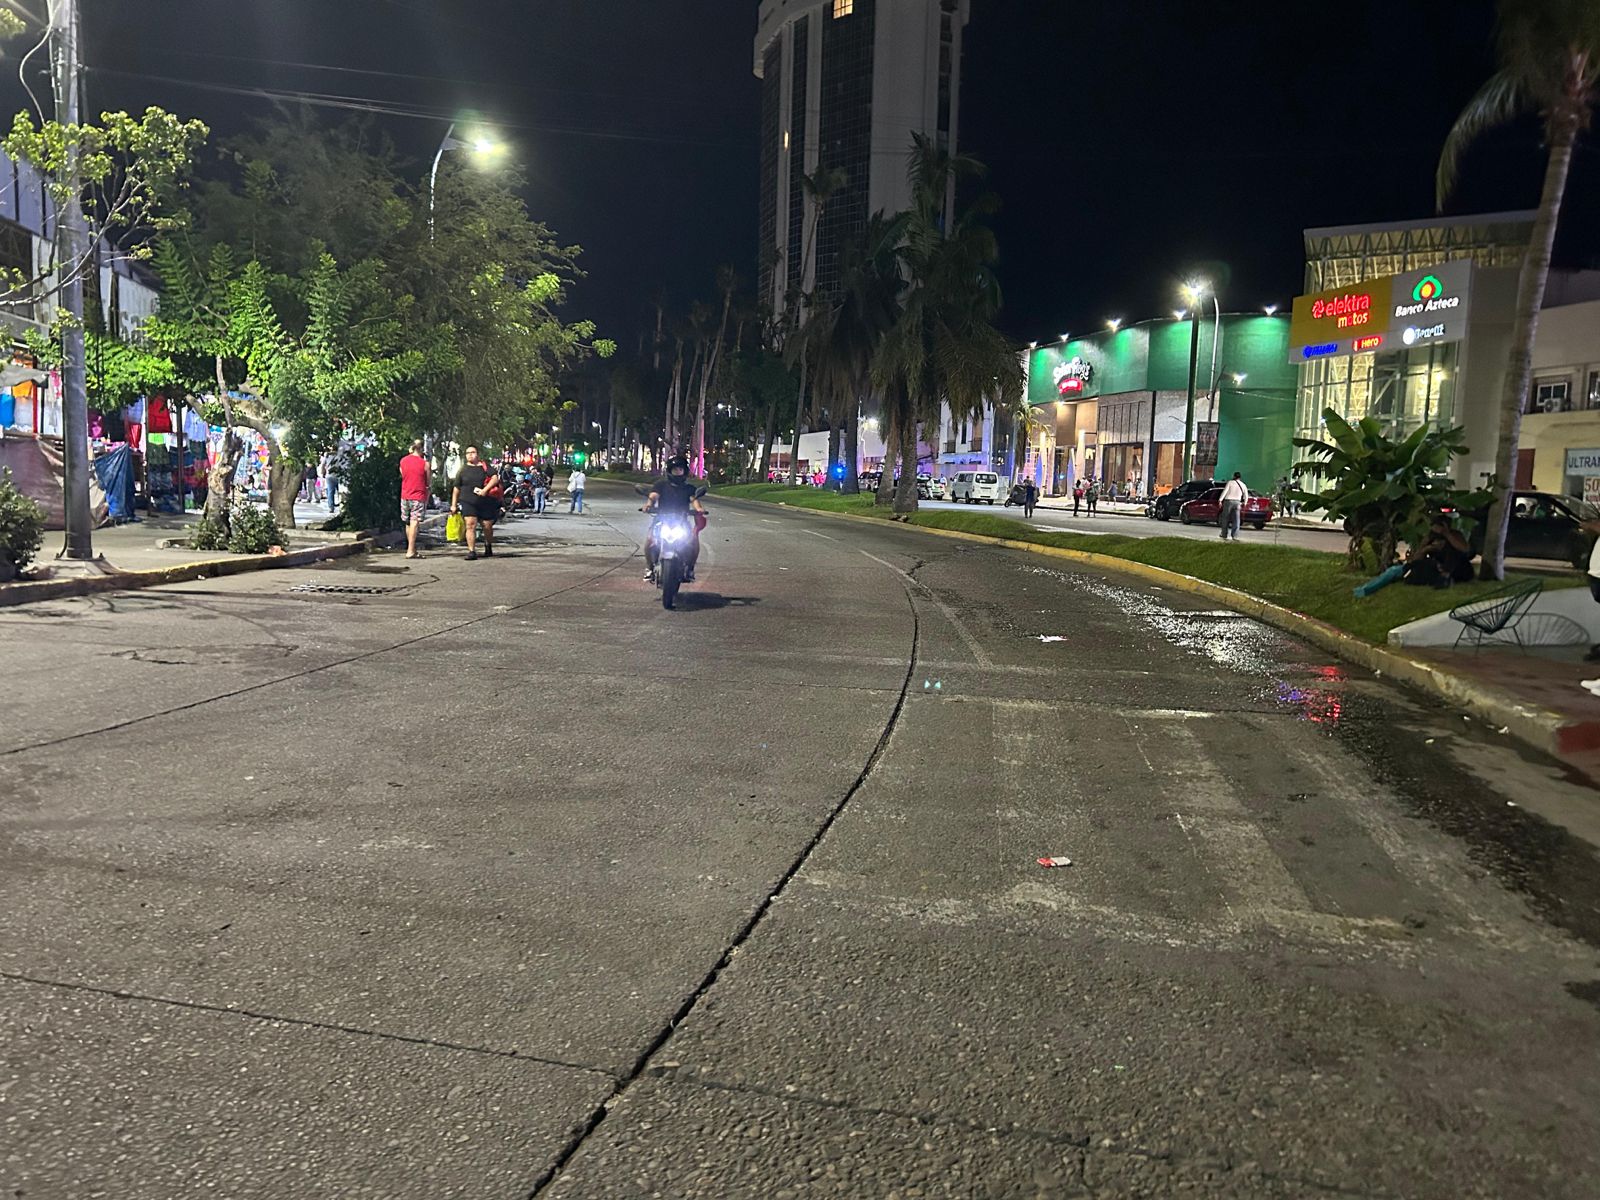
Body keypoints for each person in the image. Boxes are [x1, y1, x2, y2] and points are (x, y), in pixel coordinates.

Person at [642, 455, 706, 582]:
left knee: (693, 540)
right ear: (669, 471)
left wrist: (699, 509)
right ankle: (649, 568)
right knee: (650, 540)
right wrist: (648, 505)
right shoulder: (661, 485)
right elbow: (653, 496)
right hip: (661, 520)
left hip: (682, 521)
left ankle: (690, 568)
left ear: (684, 471)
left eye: (680, 469)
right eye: (675, 469)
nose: (678, 472)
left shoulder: (689, 488)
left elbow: (694, 500)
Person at [451, 446, 501, 560]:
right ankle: (471, 551)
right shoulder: (462, 470)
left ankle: (488, 545)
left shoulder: (485, 466)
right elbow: (456, 488)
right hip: (468, 501)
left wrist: (485, 490)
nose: (470, 455)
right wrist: (453, 505)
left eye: (472, 452)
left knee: (487, 526)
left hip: (485, 501)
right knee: (470, 525)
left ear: (477, 454)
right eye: (467, 453)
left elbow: (495, 478)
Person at [1401, 516, 1475, 587]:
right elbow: (1416, 559)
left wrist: (1446, 534)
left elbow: (1465, 550)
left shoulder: (1454, 535)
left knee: (1452, 552)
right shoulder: (1430, 537)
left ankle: (1445, 577)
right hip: (1439, 568)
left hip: (1458, 569)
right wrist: (1426, 549)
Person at [398, 439, 430, 559]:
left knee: (408, 522)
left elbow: (403, 475)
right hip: (418, 495)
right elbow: (428, 483)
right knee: (414, 521)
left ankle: (411, 548)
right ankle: (411, 550)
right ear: (421, 449)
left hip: (405, 494)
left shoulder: (403, 461)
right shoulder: (425, 464)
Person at [1219, 472, 1249, 541]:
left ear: (1234, 476)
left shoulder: (1230, 482)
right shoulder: (1243, 485)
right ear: (1240, 477)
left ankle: (1224, 534)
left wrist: (1220, 500)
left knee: (1225, 518)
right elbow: (1246, 496)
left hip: (1228, 501)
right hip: (1237, 502)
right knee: (1236, 519)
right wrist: (1245, 503)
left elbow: (1225, 491)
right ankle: (1234, 535)